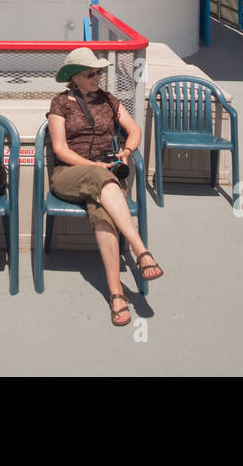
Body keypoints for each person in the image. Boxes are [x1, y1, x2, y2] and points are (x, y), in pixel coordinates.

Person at [47, 48, 164, 326]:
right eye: (90, 74)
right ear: (74, 77)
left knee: (103, 213)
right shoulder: (60, 103)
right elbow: (60, 149)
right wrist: (95, 167)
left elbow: (134, 129)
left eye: (99, 72)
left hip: (105, 175)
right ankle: (140, 250)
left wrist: (126, 151)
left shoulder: (109, 101)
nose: (97, 77)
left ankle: (116, 295)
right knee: (103, 180)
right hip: (69, 173)